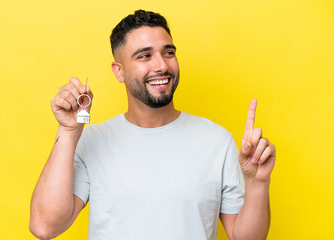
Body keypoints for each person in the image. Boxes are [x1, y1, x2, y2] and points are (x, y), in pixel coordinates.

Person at [29, 10, 276, 240]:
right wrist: (69, 131)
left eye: (168, 52)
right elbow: (44, 226)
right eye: (145, 56)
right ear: (119, 72)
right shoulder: (92, 141)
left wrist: (258, 183)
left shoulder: (217, 141)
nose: (161, 65)